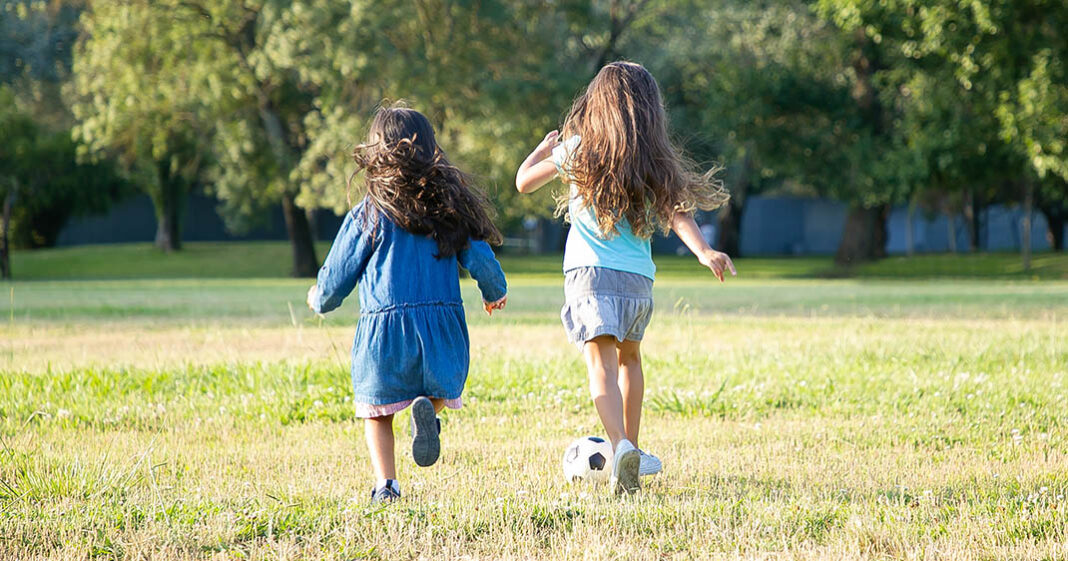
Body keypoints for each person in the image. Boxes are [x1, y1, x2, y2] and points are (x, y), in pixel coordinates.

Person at [514, 61, 735, 495]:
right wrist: (705, 251)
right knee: (630, 361)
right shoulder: (651, 161)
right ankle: (631, 445)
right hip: (637, 280)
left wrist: (542, 150)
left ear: (598, 104)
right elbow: (677, 214)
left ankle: (619, 448)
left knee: (601, 365)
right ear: (650, 111)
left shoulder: (579, 149)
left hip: (589, 275)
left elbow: (523, 183)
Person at [308, 106, 507, 504]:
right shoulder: (448, 209)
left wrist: (320, 298)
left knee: (377, 413)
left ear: (375, 154)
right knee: (439, 384)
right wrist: (493, 291)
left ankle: (387, 485)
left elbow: (338, 274)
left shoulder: (367, 214)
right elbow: (481, 259)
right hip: (440, 331)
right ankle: (428, 412)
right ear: (432, 150)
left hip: (384, 335)